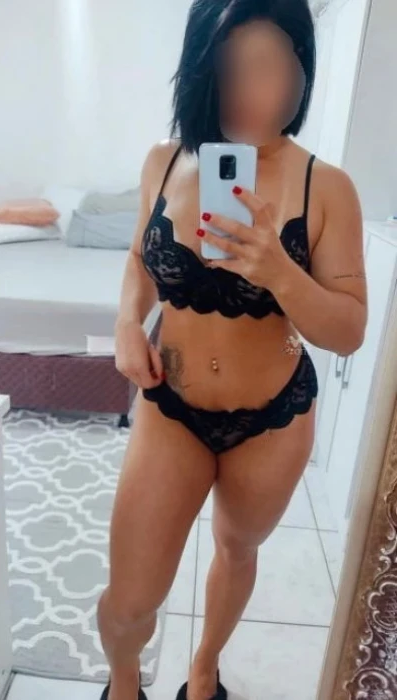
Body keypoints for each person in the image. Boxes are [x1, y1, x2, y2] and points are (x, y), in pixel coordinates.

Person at [97, 0, 368, 698]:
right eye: (227, 69)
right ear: (198, 71)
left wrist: (280, 271)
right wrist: (127, 321)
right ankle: (123, 683)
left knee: (236, 548)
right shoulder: (164, 163)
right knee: (127, 603)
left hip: (272, 419)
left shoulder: (327, 188)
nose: (247, 91)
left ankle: (203, 671)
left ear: (301, 71)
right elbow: (139, 260)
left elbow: (348, 330)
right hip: (172, 406)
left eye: (268, 67)